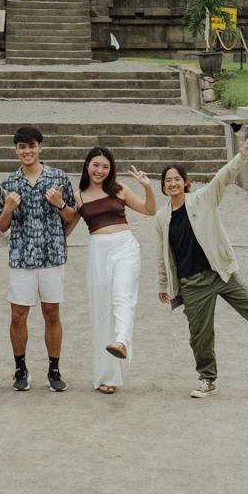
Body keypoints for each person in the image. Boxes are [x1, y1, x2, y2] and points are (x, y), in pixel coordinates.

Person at [152, 134, 248, 399]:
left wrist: (242, 155)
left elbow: (223, 177)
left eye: (177, 178)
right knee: (199, 334)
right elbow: (162, 255)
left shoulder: (203, 199)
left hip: (219, 271)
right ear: (164, 187)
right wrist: (163, 285)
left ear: (185, 182)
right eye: (168, 180)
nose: (173, 183)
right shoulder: (161, 217)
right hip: (191, 283)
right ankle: (207, 379)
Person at [0, 125, 78, 392]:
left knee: (51, 313)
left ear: (40, 147)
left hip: (52, 254)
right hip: (21, 255)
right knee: (18, 315)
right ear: (16, 150)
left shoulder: (59, 177)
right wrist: (8, 209)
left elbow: (72, 217)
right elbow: (1, 225)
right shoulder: (8, 183)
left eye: (32, 146)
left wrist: (60, 205)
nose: (27, 151)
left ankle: (54, 368)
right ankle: (20, 368)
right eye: (22, 147)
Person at [75, 146, 156, 393]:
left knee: (123, 296)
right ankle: (107, 376)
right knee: (101, 309)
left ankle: (122, 342)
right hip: (98, 250)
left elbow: (149, 210)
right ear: (87, 165)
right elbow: (68, 222)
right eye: (96, 165)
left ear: (111, 170)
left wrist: (148, 187)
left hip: (125, 246)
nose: (100, 170)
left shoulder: (119, 189)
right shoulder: (78, 194)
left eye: (105, 166)